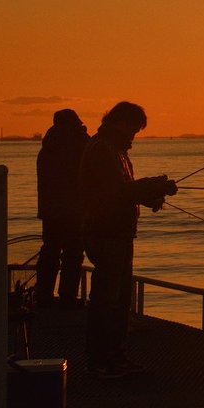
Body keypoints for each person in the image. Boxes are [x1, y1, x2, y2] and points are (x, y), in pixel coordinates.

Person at [79, 101, 177, 379]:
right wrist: (156, 185)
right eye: (133, 128)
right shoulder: (101, 150)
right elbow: (118, 192)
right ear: (120, 122)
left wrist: (152, 197)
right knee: (106, 300)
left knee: (120, 300)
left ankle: (114, 355)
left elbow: (125, 192)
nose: (135, 134)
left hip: (119, 233)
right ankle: (100, 359)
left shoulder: (116, 151)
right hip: (105, 234)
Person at [35, 108, 89, 308]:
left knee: (49, 252)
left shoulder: (47, 147)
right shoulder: (80, 144)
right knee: (73, 254)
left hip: (50, 210)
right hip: (74, 210)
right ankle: (67, 298)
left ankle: (43, 296)